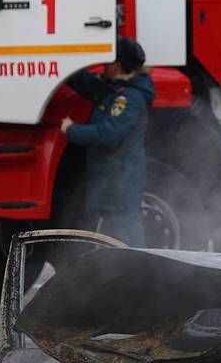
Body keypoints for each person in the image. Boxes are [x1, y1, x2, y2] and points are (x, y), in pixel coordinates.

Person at [61, 36, 155, 247]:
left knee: (128, 244)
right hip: (113, 184)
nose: (103, 67)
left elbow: (108, 134)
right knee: (113, 243)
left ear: (119, 66)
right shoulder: (114, 88)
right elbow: (87, 84)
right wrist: (63, 64)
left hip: (120, 186)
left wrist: (71, 130)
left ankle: (139, 277)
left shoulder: (129, 99)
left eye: (107, 62)